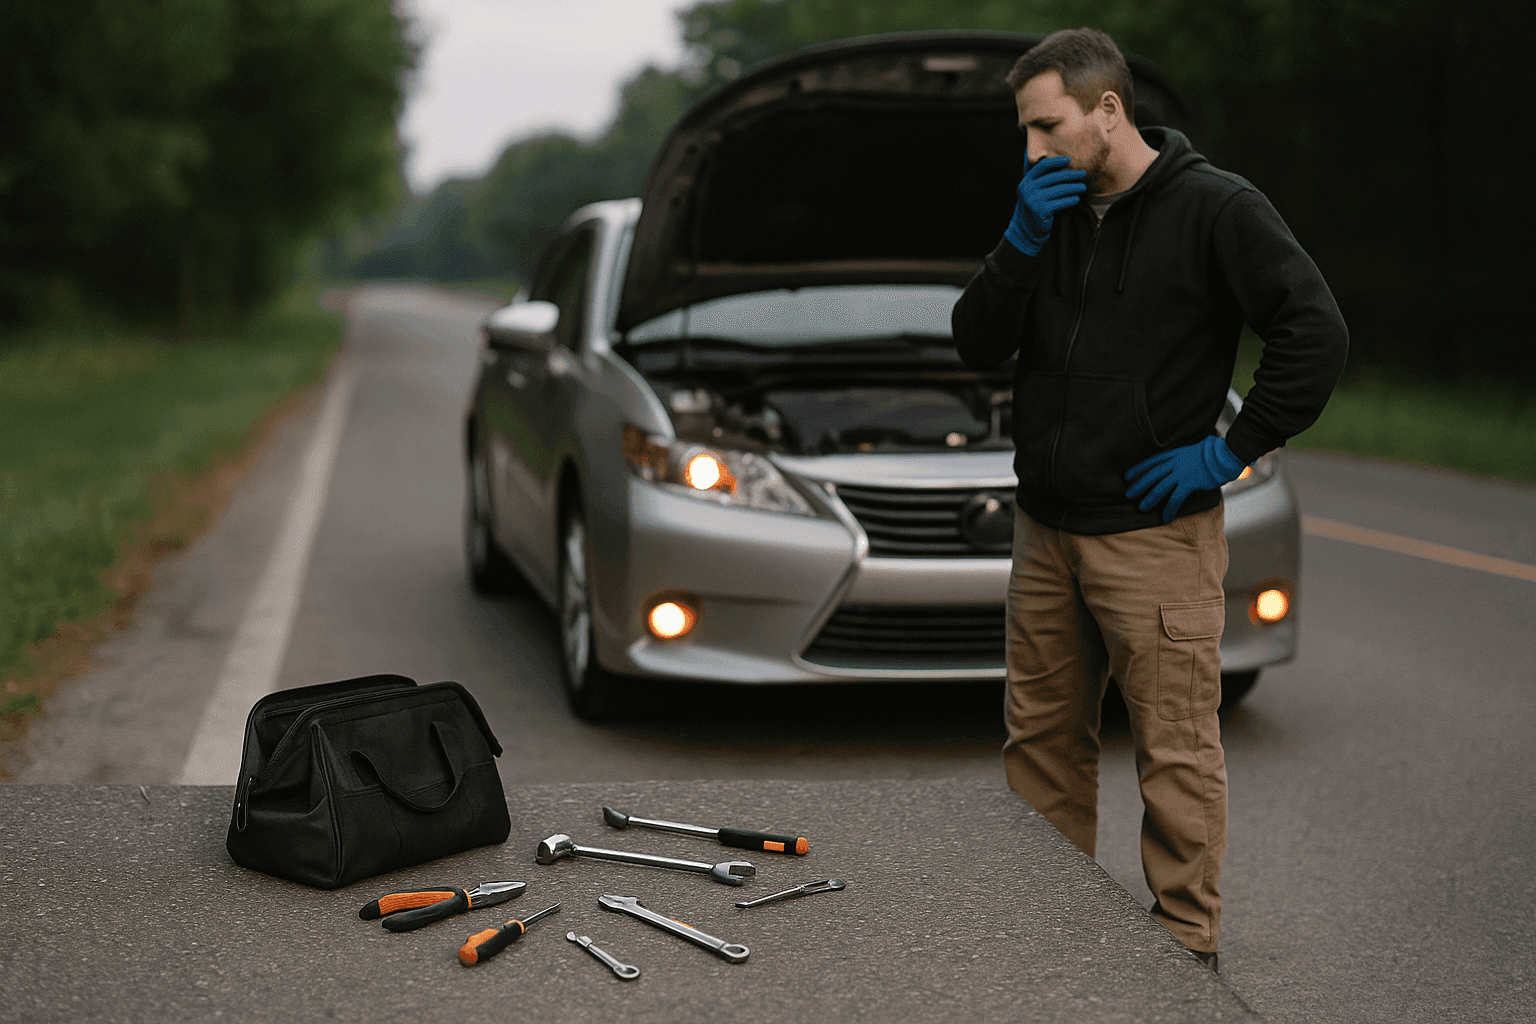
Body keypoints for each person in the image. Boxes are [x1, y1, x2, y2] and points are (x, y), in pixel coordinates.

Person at [951, 28, 1348, 971]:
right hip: (1047, 531)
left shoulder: (1215, 208)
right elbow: (974, 341)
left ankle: (1183, 950)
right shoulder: (1043, 215)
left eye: (1047, 126)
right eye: (1025, 132)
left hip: (1155, 537)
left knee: (1173, 751)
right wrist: (1018, 238)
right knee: (1042, 745)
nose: (1034, 150)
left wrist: (1230, 453)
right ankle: (1046, 935)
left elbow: (1314, 331)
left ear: (1108, 110)